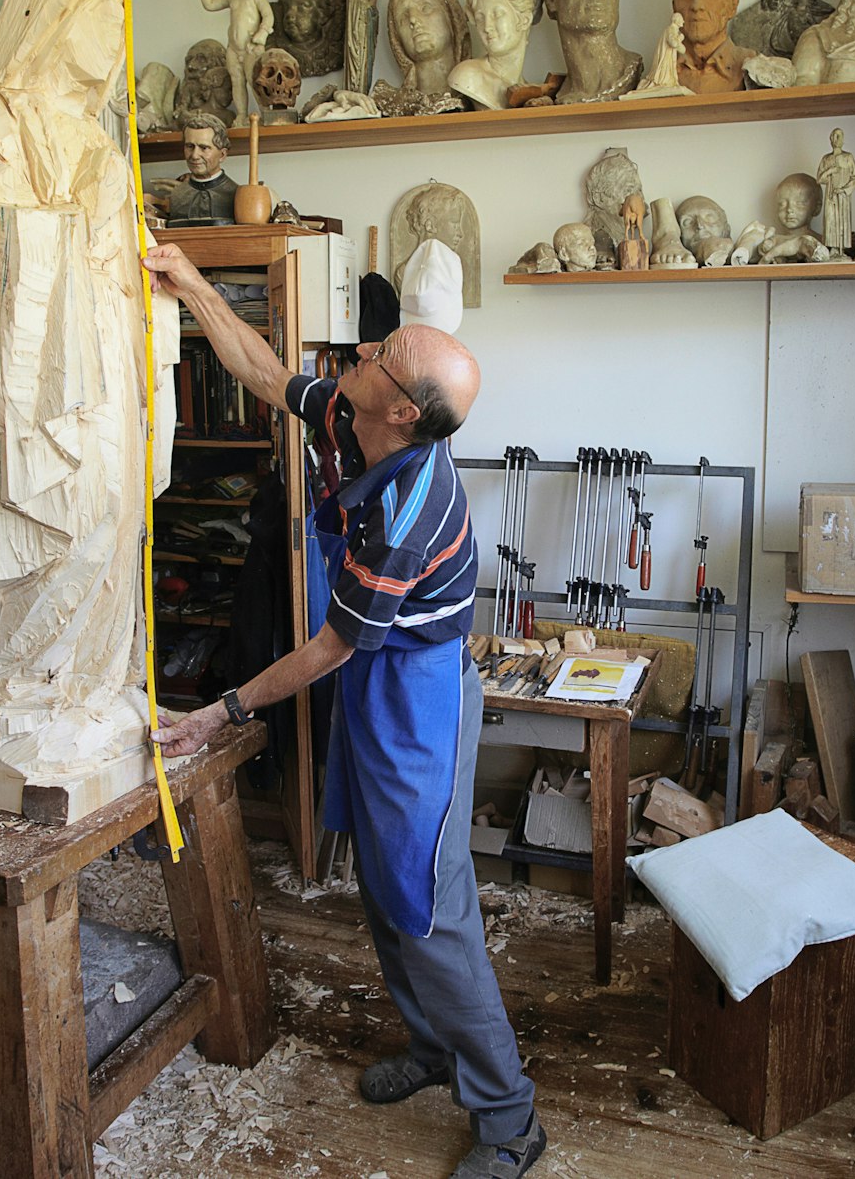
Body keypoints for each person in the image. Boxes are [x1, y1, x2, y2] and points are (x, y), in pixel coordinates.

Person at [142, 240, 545, 1179]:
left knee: (430, 910)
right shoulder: (356, 410)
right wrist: (193, 283)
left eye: (376, 355)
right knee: (377, 883)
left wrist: (220, 710)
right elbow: (263, 369)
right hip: (374, 676)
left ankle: (511, 1117)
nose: (354, 356)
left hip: (418, 698)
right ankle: (434, 1049)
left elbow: (329, 646)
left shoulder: (416, 505)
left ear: (402, 408)